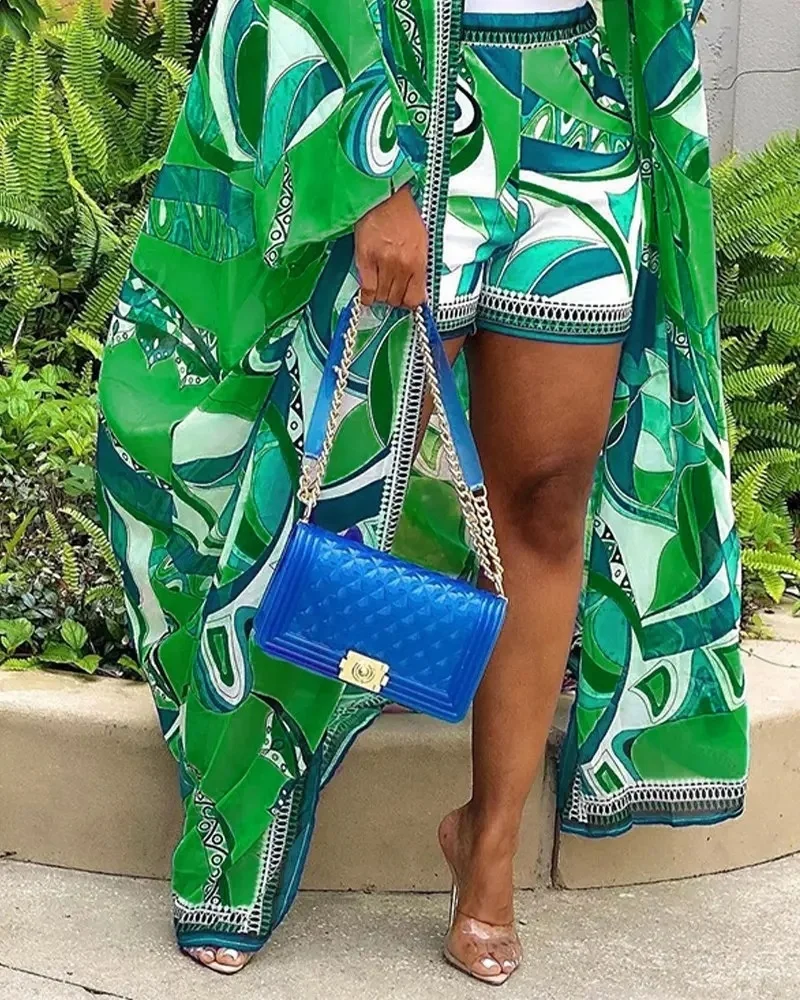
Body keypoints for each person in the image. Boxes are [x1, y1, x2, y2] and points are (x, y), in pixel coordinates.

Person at [96, 0, 749, 986]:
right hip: (409, 105)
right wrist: (371, 178)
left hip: (582, 109)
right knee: (334, 487)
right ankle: (240, 825)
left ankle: (486, 858)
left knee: (545, 499)